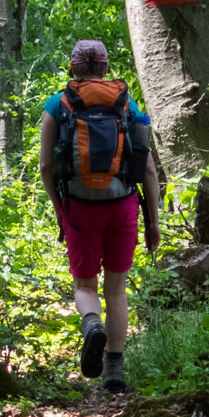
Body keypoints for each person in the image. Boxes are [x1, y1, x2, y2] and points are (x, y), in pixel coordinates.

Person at [39, 39, 162, 394]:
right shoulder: (126, 102)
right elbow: (148, 168)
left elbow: (47, 165)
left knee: (85, 286)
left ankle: (92, 324)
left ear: (73, 67)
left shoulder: (57, 104)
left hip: (79, 208)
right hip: (122, 205)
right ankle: (114, 372)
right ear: (105, 67)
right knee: (117, 289)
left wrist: (60, 211)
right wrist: (152, 221)